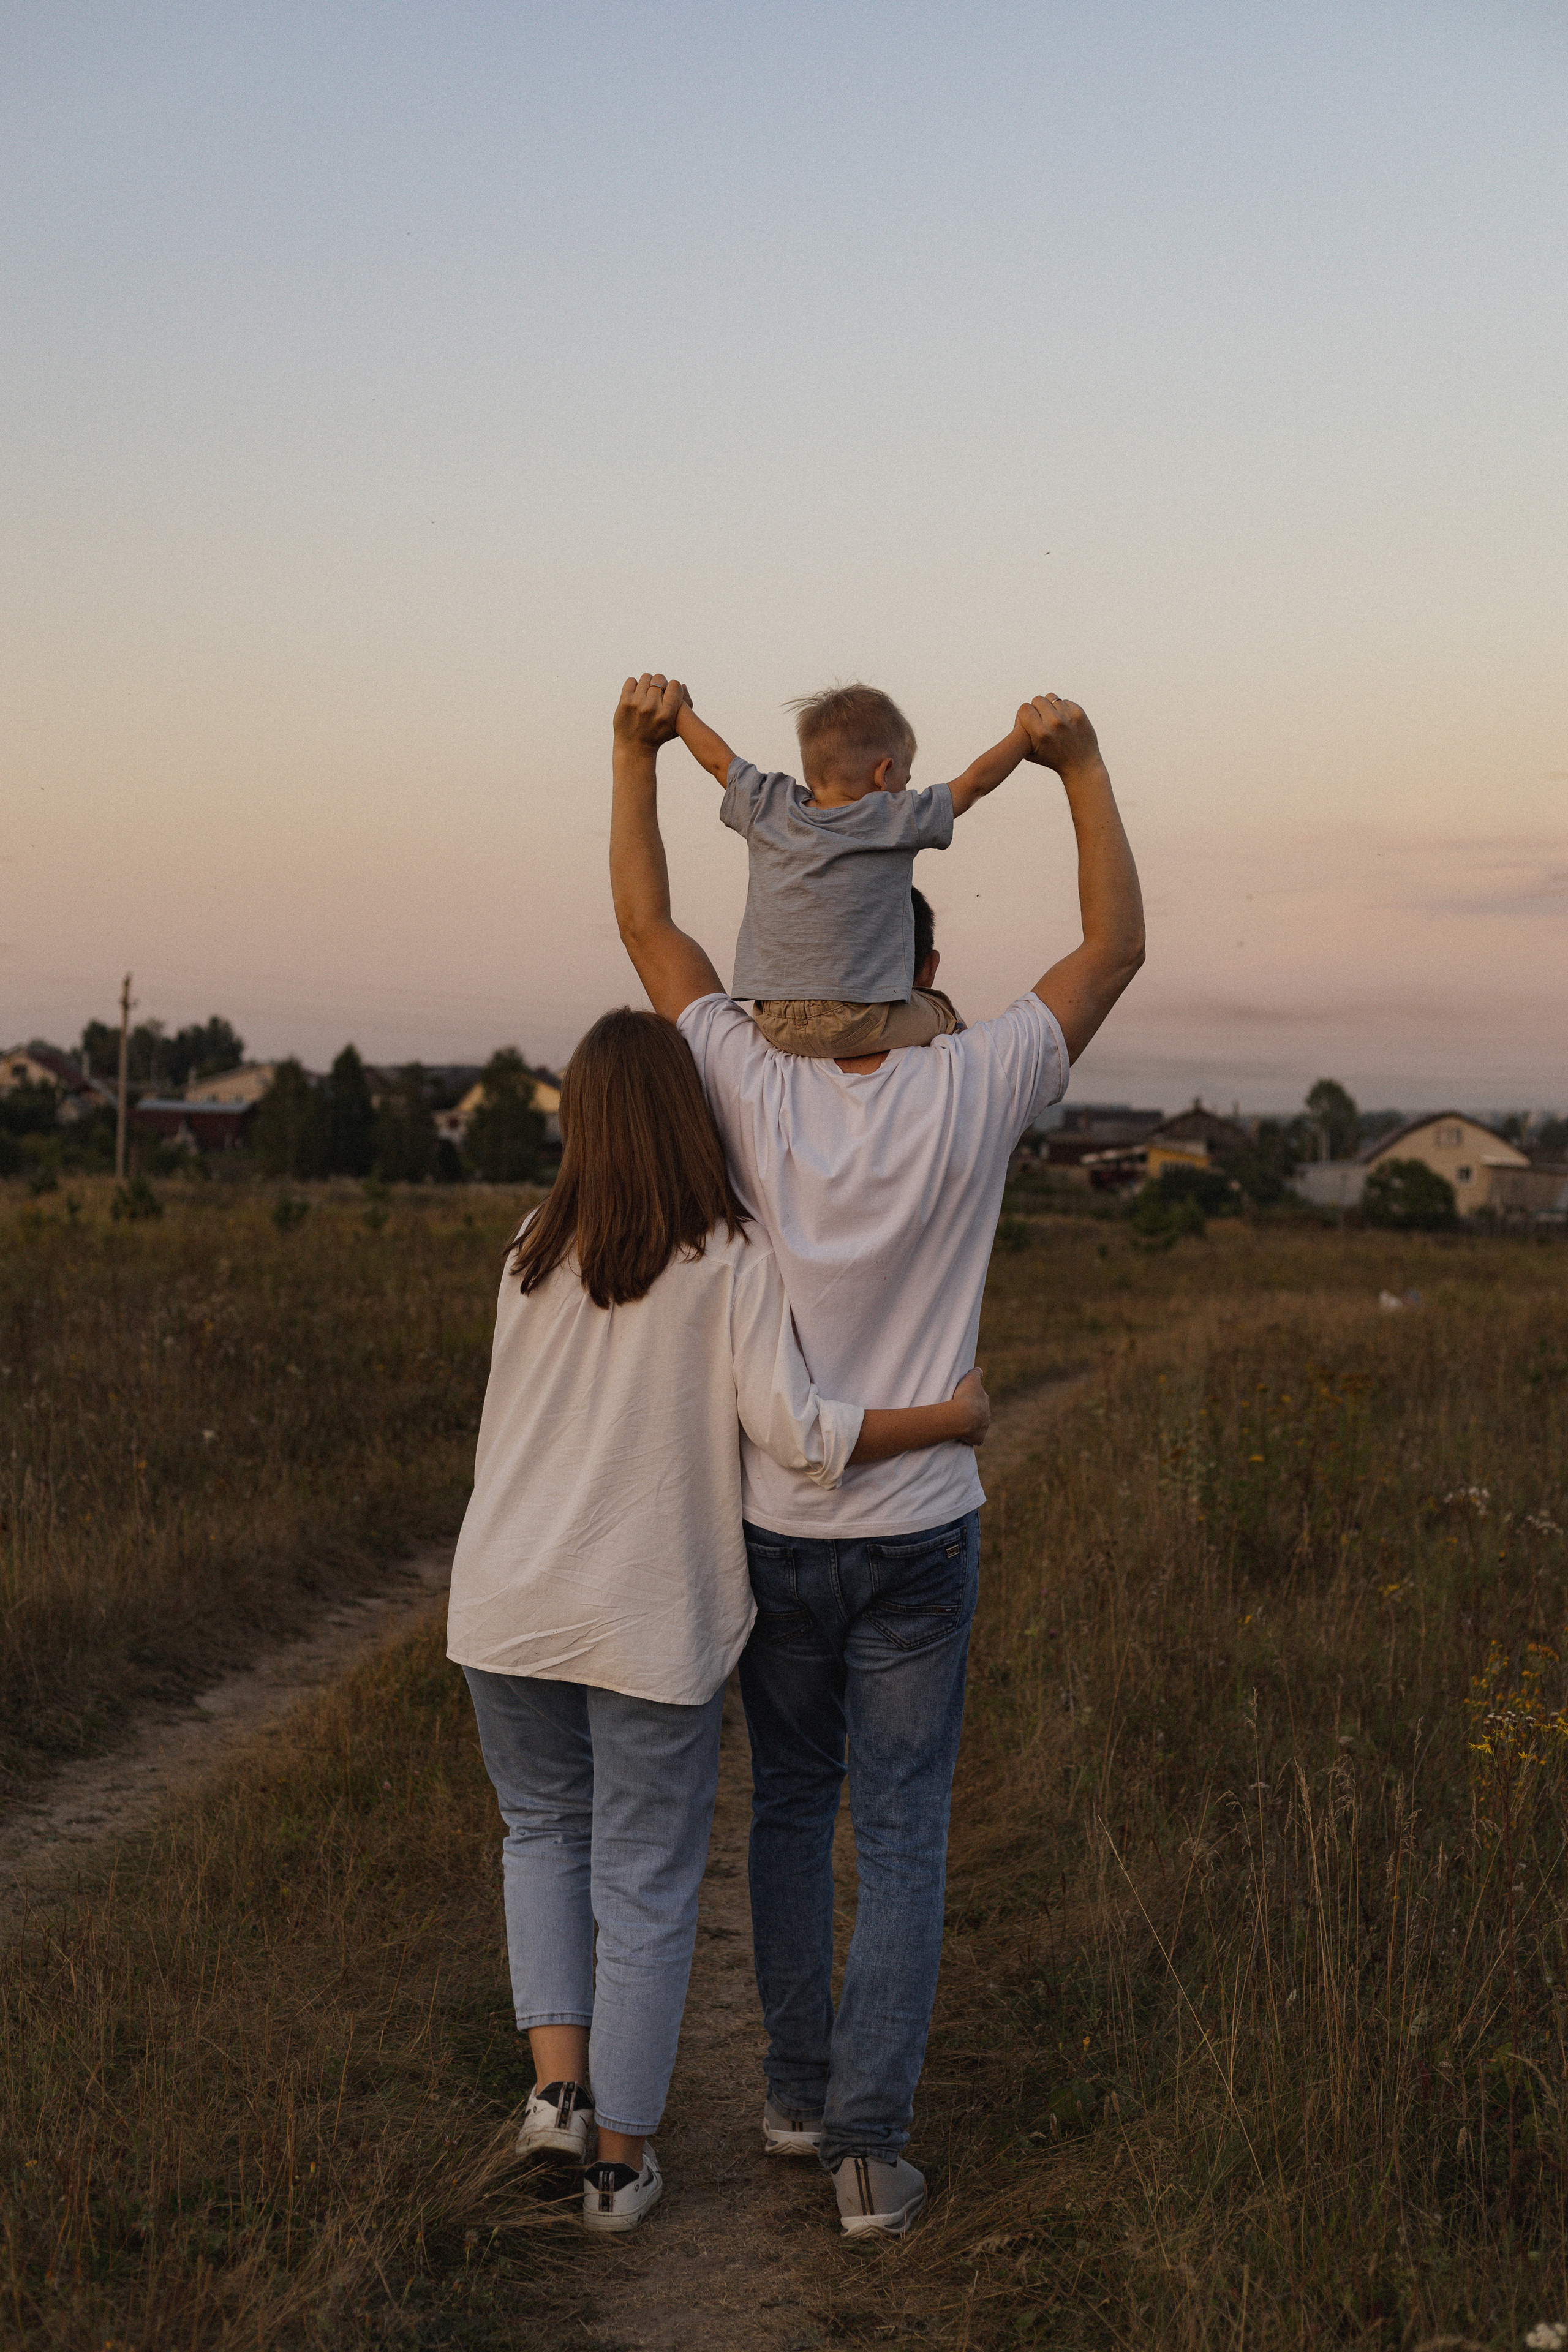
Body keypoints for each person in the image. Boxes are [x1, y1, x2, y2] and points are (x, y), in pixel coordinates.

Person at [609, 671, 1144, 2239]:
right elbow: (1112, 946)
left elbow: (649, 931)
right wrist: (1079, 764)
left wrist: (633, 754)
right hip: (920, 1524)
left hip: (774, 1517)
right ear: (922, 957)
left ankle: (789, 2088)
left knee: (787, 1803)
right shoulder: (976, 1080)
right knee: (901, 1826)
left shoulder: (742, 1075)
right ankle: (867, 2145)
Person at [446, 1006, 992, 2234]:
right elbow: (799, 1437)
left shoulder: (530, 1248)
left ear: (579, 1123)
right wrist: (947, 1419)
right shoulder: (725, 1257)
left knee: (539, 1833)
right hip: (642, 1615)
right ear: (690, 1112)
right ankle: (620, 2166)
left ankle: (555, 2096)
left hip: (503, 1602)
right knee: (643, 1880)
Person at [676, 679, 1054, 1057]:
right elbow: (974, 785)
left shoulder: (768, 804)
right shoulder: (894, 816)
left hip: (773, 1018)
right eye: (907, 776)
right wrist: (1024, 734)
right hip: (858, 1019)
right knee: (943, 1014)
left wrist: (679, 713)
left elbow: (717, 760)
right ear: (885, 773)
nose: (909, 787)